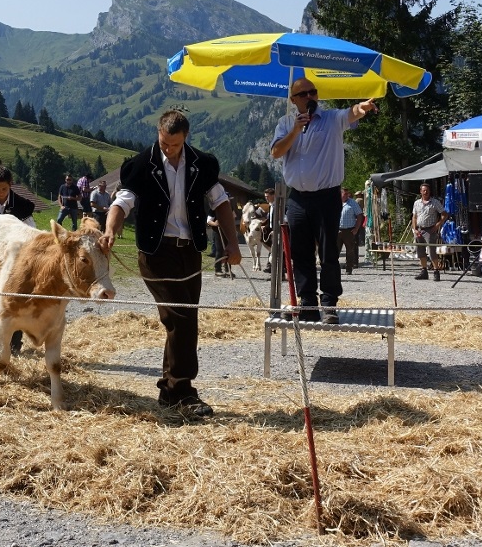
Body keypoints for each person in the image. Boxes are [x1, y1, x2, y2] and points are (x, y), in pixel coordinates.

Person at [100, 110, 240, 419]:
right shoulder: (141, 164)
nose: (168, 149)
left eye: (174, 145)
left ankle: (168, 389)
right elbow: (122, 201)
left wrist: (232, 243)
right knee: (182, 318)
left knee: (182, 320)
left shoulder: (202, 164)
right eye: (163, 143)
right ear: (158, 133)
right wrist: (110, 229)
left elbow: (221, 202)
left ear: (185, 138)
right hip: (155, 253)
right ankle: (183, 392)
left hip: (189, 252)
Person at [270, 79, 376, 322]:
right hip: (297, 198)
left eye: (313, 92)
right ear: (293, 100)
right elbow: (275, 152)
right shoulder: (285, 123)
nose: (310, 97)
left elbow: (350, 113)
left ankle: (329, 304)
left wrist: (362, 107)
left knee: (329, 252)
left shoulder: (331, 118)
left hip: (327, 196)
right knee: (300, 253)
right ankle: (307, 304)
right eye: (304, 94)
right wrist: (295, 130)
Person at [410, 182, 446, 282]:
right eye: (423, 190)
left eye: (427, 190)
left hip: (430, 230)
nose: (425, 192)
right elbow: (414, 217)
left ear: (429, 191)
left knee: (432, 251)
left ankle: (436, 271)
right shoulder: (417, 203)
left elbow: (444, 214)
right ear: (420, 191)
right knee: (420, 251)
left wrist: (437, 225)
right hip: (419, 229)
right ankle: (424, 271)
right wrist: (415, 229)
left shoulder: (435, 202)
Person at [339, 186, 365, 275]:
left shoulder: (353, 203)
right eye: (345, 193)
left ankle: (349, 268)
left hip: (349, 230)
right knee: (334, 251)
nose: (347, 195)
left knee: (350, 250)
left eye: (347, 193)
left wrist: (356, 228)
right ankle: (334, 269)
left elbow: (360, 215)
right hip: (337, 230)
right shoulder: (334, 202)